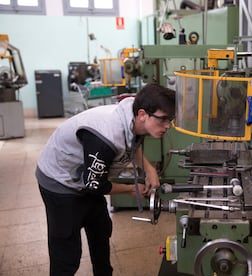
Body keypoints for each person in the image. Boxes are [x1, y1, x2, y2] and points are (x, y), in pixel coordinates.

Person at [36, 83, 175, 276]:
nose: (168, 126)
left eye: (171, 119)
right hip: (60, 181)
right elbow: (94, 185)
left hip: (86, 179)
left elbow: (131, 143)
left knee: (100, 232)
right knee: (67, 252)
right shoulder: (106, 137)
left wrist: (148, 168)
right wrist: (130, 190)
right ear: (143, 114)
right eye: (163, 119)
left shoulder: (134, 118)